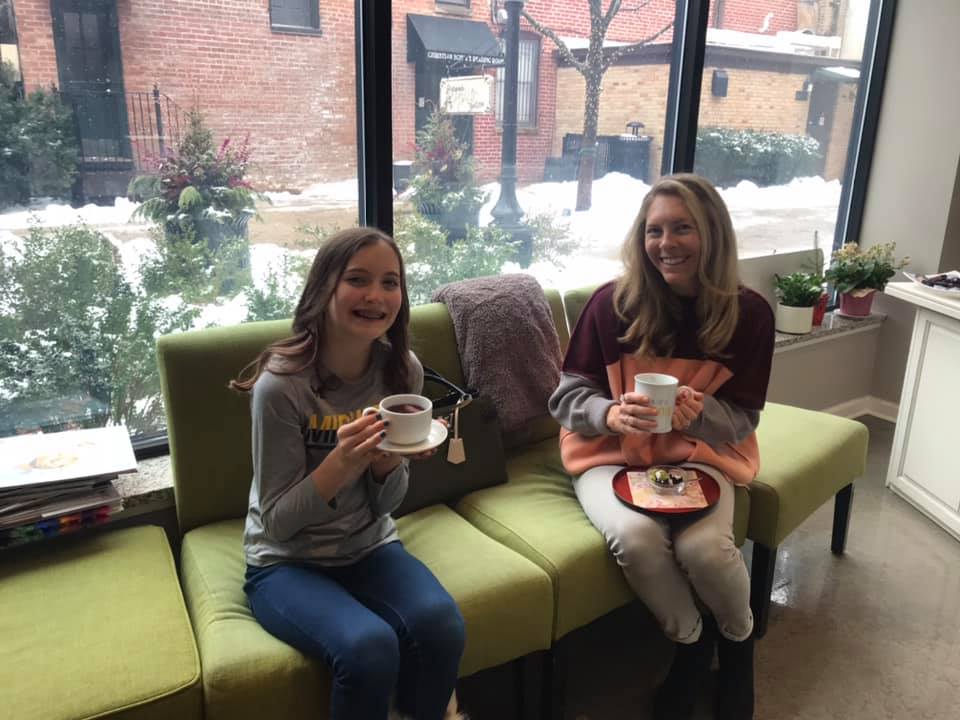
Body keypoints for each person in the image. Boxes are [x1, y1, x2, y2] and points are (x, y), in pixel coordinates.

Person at [548, 174, 774, 720]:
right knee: (636, 538)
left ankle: (738, 644)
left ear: (712, 234)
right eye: (654, 231)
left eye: (682, 229)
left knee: (707, 551)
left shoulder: (750, 315)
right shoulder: (611, 305)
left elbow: (742, 420)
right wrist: (609, 413)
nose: (666, 243)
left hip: (698, 454)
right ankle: (690, 644)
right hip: (608, 454)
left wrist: (701, 416)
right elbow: (565, 399)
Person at [230, 227, 466, 720]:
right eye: (358, 279)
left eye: (390, 282)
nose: (376, 295)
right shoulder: (281, 386)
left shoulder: (403, 372)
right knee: (367, 647)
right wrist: (342, 462)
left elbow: (386, 506)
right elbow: (277, 523)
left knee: (443, 625)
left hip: (369, 545)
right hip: (285, 563)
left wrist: (386, 464)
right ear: (325, 288)